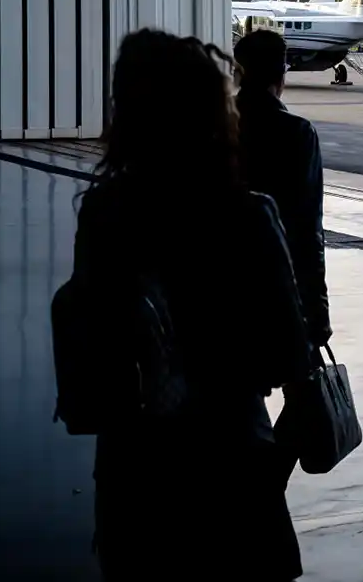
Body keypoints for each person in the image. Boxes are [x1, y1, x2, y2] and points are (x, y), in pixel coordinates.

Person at [73, 29, 311, 581]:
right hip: (229, 450)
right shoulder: (248, 216)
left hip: (134, 462)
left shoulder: (104, 211)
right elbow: (288, 357)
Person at [234, 28, 331, 483]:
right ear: (282, 72)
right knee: (303, 392)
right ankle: (265, 486)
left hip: (223, 284)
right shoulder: (296, 133)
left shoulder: (218, 126)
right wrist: (317, 306)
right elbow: (308, 228)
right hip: (281, 286)